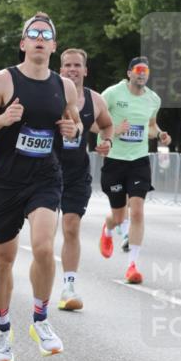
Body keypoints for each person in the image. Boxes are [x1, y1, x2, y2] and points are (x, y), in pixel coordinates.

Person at [0, 13, 81, 361]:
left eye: (46, 34)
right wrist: (2, 120)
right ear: (23, 43)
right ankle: (2, 330)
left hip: (46, 177)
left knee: (43, 248)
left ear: (53, 46)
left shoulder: (65, 86)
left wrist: (72, 130)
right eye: (34, 33)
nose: (40, 38)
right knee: (3, 260)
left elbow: (74, 124)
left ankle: (40, 320)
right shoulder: (4, 80)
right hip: (7, 182)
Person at [99, 57, 172, 283]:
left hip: (139, 160)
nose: (142, 74)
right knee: (120, 216)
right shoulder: (112, 94)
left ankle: (132, 266)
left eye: (146, 71)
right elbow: (97, 122)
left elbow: (150, 126)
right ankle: (108, 229)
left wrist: (160, 134)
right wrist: (115, 130)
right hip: (115, 160)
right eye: (138, 70)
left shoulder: (153, 99)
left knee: (137, 211)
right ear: (129, 73)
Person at [58, 49, 114, 309]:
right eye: (68, 65)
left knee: (71, 227)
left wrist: (107, 141)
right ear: (61, 70)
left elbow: (107, 125)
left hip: (77, 175)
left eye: (77, 65)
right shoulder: (50, 94)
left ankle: (69, 288)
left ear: (85, 70)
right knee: (43, 235)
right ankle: (41, 284)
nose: (72, 69)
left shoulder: (95, 99)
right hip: (45, 173)